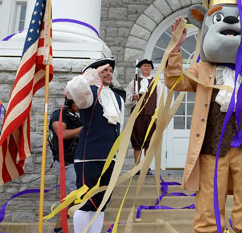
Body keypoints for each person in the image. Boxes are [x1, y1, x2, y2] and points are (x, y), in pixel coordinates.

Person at [64, 57, 124, 233]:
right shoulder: (88, 92)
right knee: (85, 203)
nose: (108, 73)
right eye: (104, 70)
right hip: (88, 157)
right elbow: (72, 88)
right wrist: (88, 77)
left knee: (101, 204)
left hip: (109, 157)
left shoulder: (116, 97)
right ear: (94, 72)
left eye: (110, 71)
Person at [49, 98, 82, 233]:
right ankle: (59, 229)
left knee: (75, 194)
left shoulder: (76, 117)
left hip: (78, 161)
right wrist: (82, 129)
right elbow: (61, 134)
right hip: (66, 161)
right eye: (78, 103)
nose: (80, 105)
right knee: (74, 193)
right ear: (70, 103)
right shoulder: (58, 115)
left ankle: (59, 228)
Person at [124, 59, 163, 171]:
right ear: (140, 68)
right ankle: (137, 168)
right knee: (137, 142)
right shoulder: (133, 83)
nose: (146, 68)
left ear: (151, 68)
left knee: (149, 143)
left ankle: (146, 167)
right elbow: (127, 103)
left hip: (151, 117)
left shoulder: (157, 82)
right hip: (137, 117)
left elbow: (160, 100)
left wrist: (156, 116)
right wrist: (133, 98)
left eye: (148, 66)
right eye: (144, 66)